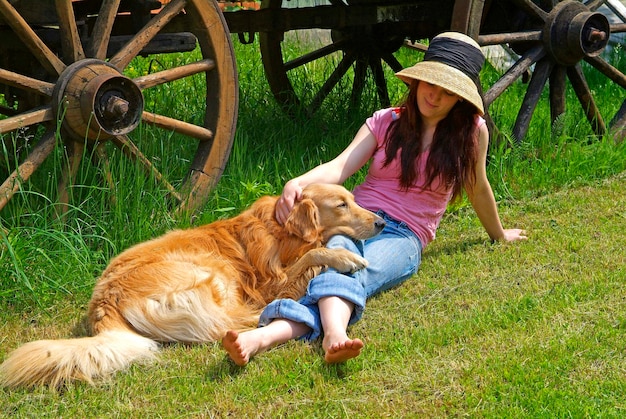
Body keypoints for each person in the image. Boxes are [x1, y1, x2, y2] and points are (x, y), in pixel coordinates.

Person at [222, 32, 527, 366]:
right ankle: (312, 334)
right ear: (417, 81)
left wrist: (498, 233)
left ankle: (282, 335)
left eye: (447, 92)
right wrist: (298, 182)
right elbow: (340, 166)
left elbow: (478, 187)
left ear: (460, 98)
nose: (435, 97)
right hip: (356, 220)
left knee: (355, 271)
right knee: (336, 256)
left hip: (405, 235)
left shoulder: (472, 132)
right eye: (431, 84)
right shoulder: (386, 121)